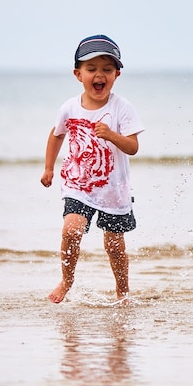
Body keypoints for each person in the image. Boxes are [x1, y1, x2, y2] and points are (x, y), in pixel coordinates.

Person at [40, 34, 145, 304]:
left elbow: (133, 146)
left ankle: (123, 291)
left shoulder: (122, 108)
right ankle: (67, 280)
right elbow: (56, 135)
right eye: (91, 69)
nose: (99, 75)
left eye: (107, 70)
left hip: (113, 189)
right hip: (77, 185)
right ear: (78, 74)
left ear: (116, 74)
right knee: (71, 230)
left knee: (114, 245)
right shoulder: (69, 107)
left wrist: (111, 135)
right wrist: (49, 168)